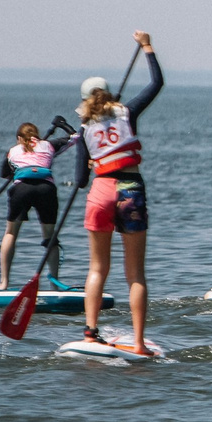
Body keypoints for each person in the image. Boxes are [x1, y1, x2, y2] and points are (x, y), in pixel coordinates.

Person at [71, 32, 162, 350]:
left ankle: (90, 332)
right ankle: (139, 343)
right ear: (109, 95)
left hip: (100, 191)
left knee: (97, 268)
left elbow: (81, 178)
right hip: (129, 190)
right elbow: (156, 84)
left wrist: (91, 167)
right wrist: (147, 47)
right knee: (135, 274)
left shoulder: (84, 129)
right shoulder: (127, 112)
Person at [0, 121, 61, 290]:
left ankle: (4, 282)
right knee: (50, 236)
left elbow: (4, 174)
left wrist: (17, 170)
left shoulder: (13, 151)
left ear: (19, 138)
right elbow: (73, 138)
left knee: (10, 233)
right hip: (46, 189)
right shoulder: (48, 145)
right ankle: (54, 284)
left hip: (21, 189)